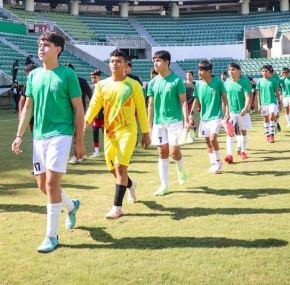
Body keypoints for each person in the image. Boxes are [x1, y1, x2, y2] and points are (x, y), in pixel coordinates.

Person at [11, 30, 85, 254]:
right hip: (39, 137)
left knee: (52, 185)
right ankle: (72, 206)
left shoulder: (67, 75)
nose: (41, 49)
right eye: (39, 45)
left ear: (57, 49)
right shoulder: (33, 75)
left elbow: (79, 108)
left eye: (46, 45)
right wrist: (19, 135)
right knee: (43, 186)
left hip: (61, 134)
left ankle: (51, 236)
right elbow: (28, 108)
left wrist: (79, 141)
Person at [85, 50, 150, 219]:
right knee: (113, 170)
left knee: (121, 168)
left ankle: (117, 207)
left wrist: (145, 133)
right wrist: (85, 122)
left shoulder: (133, 85)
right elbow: (93, 106)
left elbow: (141, 111)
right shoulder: (102, 85)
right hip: (110, 133)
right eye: (112, 61)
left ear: (125, 65)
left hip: (128, 131)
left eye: (119, 61)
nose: (115, 63)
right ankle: (131, 184)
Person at [147, 50, 189, 195]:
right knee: (162, 152)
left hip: (175, 121)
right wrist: (149, 125)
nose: (155, 63)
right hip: (159, 123)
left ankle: (180, 167)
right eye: (154, 61)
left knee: (174, 152)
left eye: (158, 61)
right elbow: (150, 105)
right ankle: (164, 185)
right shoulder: (152, 83)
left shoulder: (177, 81)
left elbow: (183, 102)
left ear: (167, 62)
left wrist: (187, 120)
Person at [190, 60, 228, 173]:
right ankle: (213, 164)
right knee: (208, 142)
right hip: (204, 117)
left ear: (209, 71)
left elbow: (225, 99)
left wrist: (226, 112)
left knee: (212, 139)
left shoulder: (218, 82)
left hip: (216, 116)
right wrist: (191, 114)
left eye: (201, 70)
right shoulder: (198, 84)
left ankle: (218, 162)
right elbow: (196, 100)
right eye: (199, 70)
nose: (199, 72)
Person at [223, 62, 252, 162]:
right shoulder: (226, 82)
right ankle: (229, 155)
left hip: (242, 112)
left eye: (233, 70)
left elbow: (248, 97)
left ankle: (243, 151)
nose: (231, 72)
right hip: (231, 112)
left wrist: (245, 108)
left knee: (243, 131)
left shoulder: (245, 82)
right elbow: (225, 99)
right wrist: (226, 112)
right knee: (229, 132)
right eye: (229, 70)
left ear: (239, 71)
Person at [66, 63, 93, 165]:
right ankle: (82, 154)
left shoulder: (81, 81)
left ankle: (77, 156)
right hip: (68, 111)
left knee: (78, 133)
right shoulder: (64, 81)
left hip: (79, 111)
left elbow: (91, 95)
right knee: (72, 133)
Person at [256, 65, 281, 143]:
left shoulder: (273, 81)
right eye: (263, 71)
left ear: (269, 72)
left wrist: (279, 102)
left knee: (271, 117)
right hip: (263, 103)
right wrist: (259, 104)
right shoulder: (259, 81)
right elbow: (258, 94)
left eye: (266, 71)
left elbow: (277, 92)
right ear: (261, 72)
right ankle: (267, 135)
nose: (264, 72)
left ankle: (272, 135)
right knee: (265, 119)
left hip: (272, 102)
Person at [88, 69, 104, 158]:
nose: (93, 79)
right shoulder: (91, 88)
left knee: (106, 133)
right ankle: (96, 151)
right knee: (95, 132)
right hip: (95, 115)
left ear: (99, 77)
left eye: (95, 77)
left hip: (104, 114)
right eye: (92, 77)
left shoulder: (104, 87)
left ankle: (110, 149)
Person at [18, 63, 38, 134]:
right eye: (27, 75)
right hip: (32, 115)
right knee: (35, 135)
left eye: (29, 74)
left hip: (44, 114)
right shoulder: (26, 86)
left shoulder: (43, 83)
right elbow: (22, 100)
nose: (28, 77)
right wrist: (20, 113)